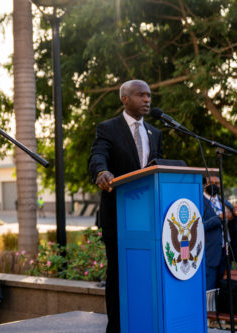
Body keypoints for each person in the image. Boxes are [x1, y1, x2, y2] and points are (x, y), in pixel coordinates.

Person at [88, 80, 162, 333]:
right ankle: (117, 328)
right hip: (118, 217)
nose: (147, 100)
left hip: (149, 220)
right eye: (140, 95)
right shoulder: (108, 128)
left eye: (149, 95)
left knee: (146, 276)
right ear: (124, 98)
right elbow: (98, 154)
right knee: (119, 277)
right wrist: (102, 171)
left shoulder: (155, 132)